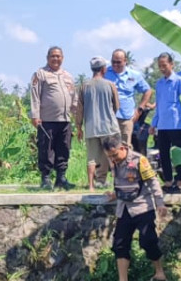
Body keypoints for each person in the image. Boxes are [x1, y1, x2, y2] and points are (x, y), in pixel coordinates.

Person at [102, 135, 168, 281]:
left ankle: (159, 272)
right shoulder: (114, 162)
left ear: (122, 148)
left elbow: (153, 182)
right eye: (110, 156)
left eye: (115, 155)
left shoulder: (139, 160)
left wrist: (160, 203)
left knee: (148, 241)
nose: (113, 159)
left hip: (142, 207)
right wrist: (114, 195)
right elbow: (121, 183)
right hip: (123, 208)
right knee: (119, 244)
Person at [28, 46, 78, 190]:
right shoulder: (40, 74)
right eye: (53, 56)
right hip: (47, 120)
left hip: (65, 120)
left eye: (58, 56)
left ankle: (61, 178)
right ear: (47, 58)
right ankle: (46, 179)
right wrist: (35, 115)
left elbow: (73, 97)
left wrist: (76, 117)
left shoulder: (68, 76)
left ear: (62, 58)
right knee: (46, 149)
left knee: (64, 148)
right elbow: (35, 95)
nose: (56, 59)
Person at [76, 56, 120, 191]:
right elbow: (116, 105)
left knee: (91, 158)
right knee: (114, 156)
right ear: (103, 69)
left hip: (91, 127)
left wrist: (79, 127)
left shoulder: (84, 86)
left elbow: (80, 109)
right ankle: (116, 183)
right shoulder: (110, 85)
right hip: (108, 126)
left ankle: (91, 185)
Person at [151, 53, 181, 192]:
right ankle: (168, 181)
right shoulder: (159, 83)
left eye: (164, 65)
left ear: (171, 64)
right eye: (160, 66)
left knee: (178, 154)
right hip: (162, 125)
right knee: (164, 154)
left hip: (176, 123)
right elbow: (159, 104)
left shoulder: (179, 81)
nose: (162, 68)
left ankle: (180, 181)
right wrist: (153, 123)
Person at [104, 49, 152, 149]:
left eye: (118, 62)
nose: (115, 64)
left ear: (125, 61)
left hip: (126, 117)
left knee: (125, 148)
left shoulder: (134, 75)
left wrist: (140, 109)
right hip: (108, 117)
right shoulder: (105, 73)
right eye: (113, 61)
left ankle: (125, 165)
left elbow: (147, 91)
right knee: (108, 147)